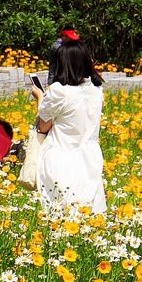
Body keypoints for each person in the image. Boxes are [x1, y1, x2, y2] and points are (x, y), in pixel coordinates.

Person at [30, 35, 106, 217]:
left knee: (61, 214)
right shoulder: (96, 90)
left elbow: (44, 126)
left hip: (61, 157)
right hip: (90, 158)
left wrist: (40, 97)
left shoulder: (59, 92)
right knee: (88, 214)